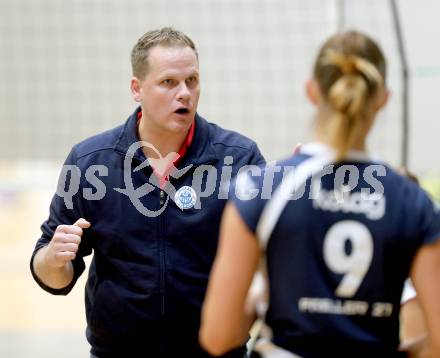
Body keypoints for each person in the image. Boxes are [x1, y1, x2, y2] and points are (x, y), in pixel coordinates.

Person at [200, 31, 440, 357]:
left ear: (312, 91)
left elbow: (217, 337)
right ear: (383, 98)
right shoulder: (413, 203)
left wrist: (259, 298)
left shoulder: (261, 189)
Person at [30, 27, 264, 357]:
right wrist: (54, 259)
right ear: (137, 89)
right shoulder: (89, 162)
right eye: (168, 82)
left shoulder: (239, 159)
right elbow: (52, 276)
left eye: (192, 80)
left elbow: (271, 257)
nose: (185, 93)